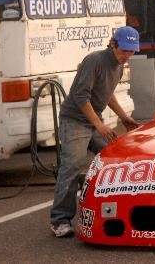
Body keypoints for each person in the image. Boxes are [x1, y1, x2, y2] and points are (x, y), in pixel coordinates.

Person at [49, 26, 140, 237]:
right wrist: (99, 125)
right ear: (113, 44)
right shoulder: (95, 61)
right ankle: (59, 220)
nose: (127, 55)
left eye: (132, 51)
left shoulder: (118, 66)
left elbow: (107, 94)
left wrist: (123, 117)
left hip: (93, 120)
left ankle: (109, 209)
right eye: (124, 50)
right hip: (75, 120)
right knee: (72, 165)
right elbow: (81, 97)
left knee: (116, 158)